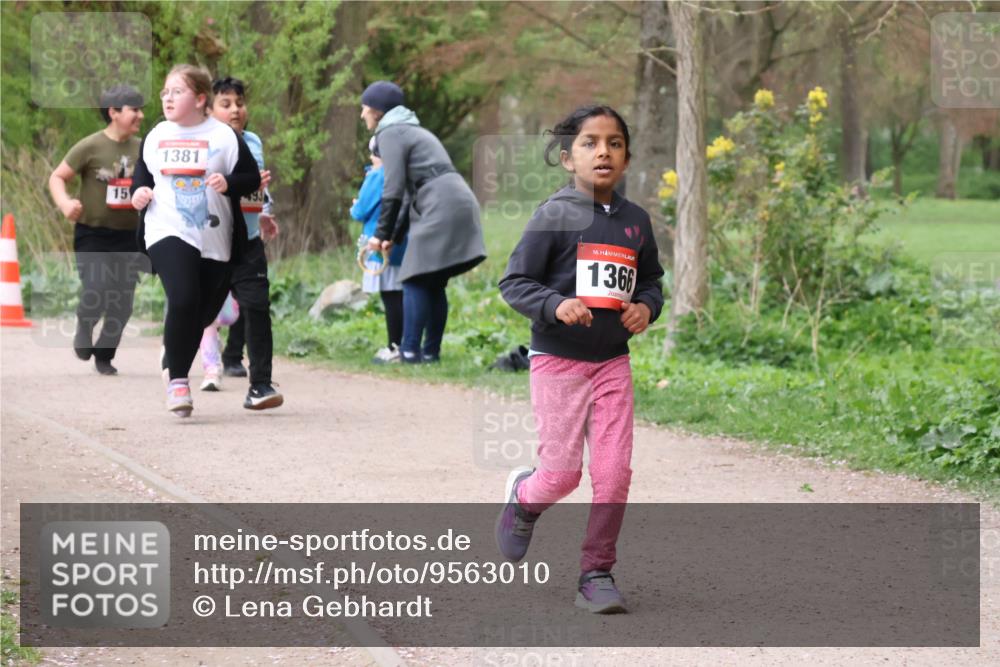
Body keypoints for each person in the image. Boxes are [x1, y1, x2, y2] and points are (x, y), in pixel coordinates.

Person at [495, 105, 665, 614]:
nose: (603, 152)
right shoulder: (554, 215)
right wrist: (555, 304)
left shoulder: (636, 221)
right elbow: (514, 282)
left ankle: (596, 573)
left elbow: (652, 280)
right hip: (558, 362)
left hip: (613, 362)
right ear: (568, 158)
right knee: (563, 474)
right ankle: (525, 499)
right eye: (590, 143)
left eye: (614, 143)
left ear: (627, 155)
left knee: (613, 474)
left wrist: (645, 308)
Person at [130, 64, 261, 417]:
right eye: (165, 93)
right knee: (184, 297)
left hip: (214, 234)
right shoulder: (157, 134)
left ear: (200, 98)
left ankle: (174, 360)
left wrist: (228, 184)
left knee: (200, 312)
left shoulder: (224, 136)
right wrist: (139, 193)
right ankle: (178, 382)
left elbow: (249, 177)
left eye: (177, 91)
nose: (167, 98)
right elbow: (141, 177)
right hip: (167, 227)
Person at [361, 80, 486, 364]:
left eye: (365, 108)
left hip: (439, 203)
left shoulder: (390, 132)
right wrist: (394, 235)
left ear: (378, 111)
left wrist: (378, 236)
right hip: (458, 198)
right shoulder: (413, 129)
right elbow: (406, 196)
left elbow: (392, 189)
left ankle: (408, 351)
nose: (362, 114)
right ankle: (430, 353)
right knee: (433, 281)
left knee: (415, 277)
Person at [48, 85, 147, 375]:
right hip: (93, 233)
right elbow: (57, 176)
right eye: (134, 109)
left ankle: (104, 354)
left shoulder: (144, 148)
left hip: (130, 236)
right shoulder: (90, 146)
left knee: (123, 303)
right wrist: (65, 203)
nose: (140, 115)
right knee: (97, 288)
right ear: (114, 113)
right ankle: (85, 321)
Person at [199, 76, 283, 409]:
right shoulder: (201, 142)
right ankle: (178, 371)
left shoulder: (254, 141)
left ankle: (260, 384)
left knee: (257, 306)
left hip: (247, 239)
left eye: (240, 102)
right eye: (226, 103)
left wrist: (261, 210)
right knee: (197, 310)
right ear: (209, 108)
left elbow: (255, 189)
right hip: (209, 239)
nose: (235, 109)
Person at [351, 137, 407, 363]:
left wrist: (355, 205)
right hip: (401, 243)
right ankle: (404, 344)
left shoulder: (377, 176)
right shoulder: (400, 174)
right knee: (400, 295)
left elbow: (360, 211)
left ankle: (395, 346)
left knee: (391, 296)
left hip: (379, 244)